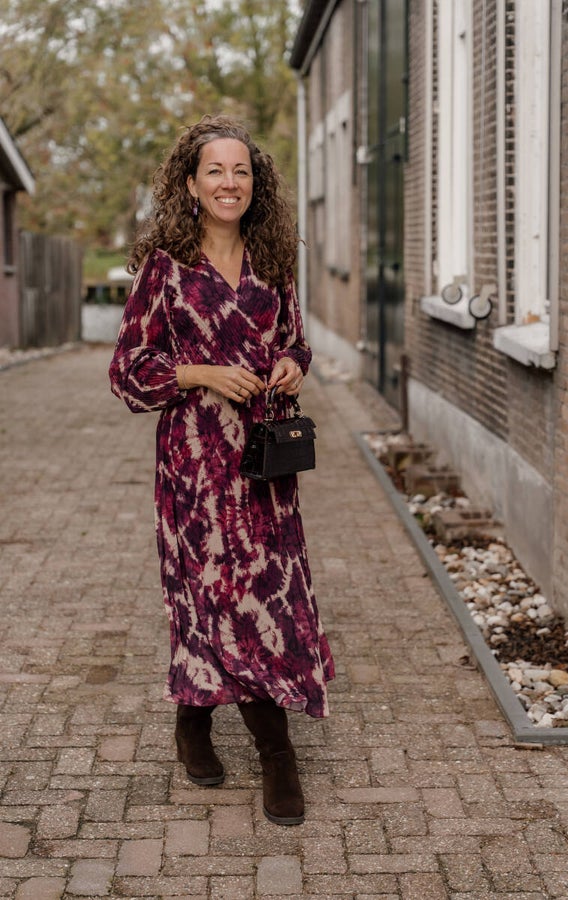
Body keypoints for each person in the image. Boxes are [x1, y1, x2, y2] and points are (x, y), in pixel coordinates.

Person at [109, 115, 334, 826]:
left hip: (266, 464)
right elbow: (127, 371)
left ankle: (239, 736)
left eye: (241, 171)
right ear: (191, 183)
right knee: (208, 595)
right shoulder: (165, 268)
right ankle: (240, 739)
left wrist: (293, 363)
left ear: (254, 182)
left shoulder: (274, 260)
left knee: (269, 598)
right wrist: (200, 372)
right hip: (195, 465)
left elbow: (295, 341)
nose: (229, 182)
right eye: (215, 171)